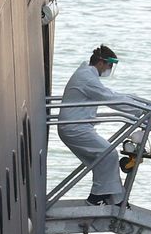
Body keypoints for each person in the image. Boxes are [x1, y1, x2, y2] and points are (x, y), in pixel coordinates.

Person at [58, 45, 139, 206]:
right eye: (109, 65)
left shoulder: (87, 75)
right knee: (108, 154)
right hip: (75, 128)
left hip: (78, 126)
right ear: (101, 62)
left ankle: (115, 199)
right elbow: (108, 98)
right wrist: (136, 108)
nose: (109, 69)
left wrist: (133, 99)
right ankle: (96, 198)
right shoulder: (87, 78)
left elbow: (110, 93)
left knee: (103, 158)